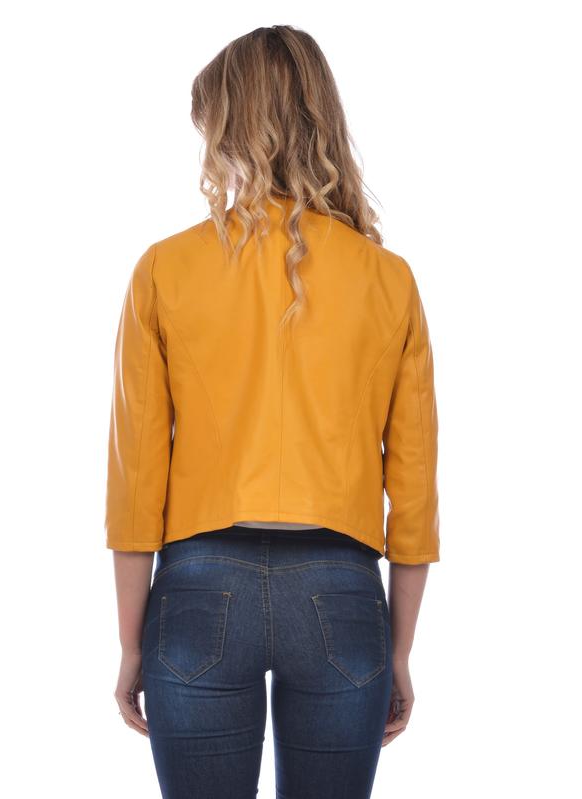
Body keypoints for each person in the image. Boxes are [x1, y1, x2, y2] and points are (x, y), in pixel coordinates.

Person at [105, 24, 440, 799]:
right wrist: (399, 650)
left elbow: (136, 483)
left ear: (227, 132)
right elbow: (414, 490)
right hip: (342, 593)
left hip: (197, 590)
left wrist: (130, 645)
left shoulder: (164, 269)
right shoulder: (388, 281)